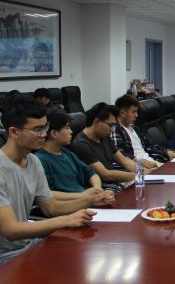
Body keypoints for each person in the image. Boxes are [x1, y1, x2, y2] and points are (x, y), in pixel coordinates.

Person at [0, 95, 108, 265]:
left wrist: (90, 200)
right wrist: (65, 220)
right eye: (37, 129)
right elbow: (10, 230)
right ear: (14, 132)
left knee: (89, 255)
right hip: (5, 257)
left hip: (27, 246)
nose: (44, 134)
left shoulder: (33, 161)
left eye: (45, 127)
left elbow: (50, 207)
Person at [35, 111, 115, 204]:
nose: (71, 132)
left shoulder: (67, 153)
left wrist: (97, 189)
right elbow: (45, 193)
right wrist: (82, 196)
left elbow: (91, 173)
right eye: (67, 128)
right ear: (54, 133)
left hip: (87, 201)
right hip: (69, 206)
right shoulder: (40, 160)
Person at [70, 103, 150, 184]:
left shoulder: (104, 136)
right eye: (110, 125)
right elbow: (105, 175)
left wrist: (145, 171)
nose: (112, 129)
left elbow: (124, 161)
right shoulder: (81, 144)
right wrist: (140, 175)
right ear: (97, 122)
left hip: (116, 181)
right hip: (105, 186)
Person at [111, 95, 175, 166]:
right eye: (133, 112)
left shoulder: (134, 127)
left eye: (137, 112)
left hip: (153, 161)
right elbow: (121, 157)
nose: (136, 115)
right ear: (123, 113)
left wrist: (165, 151)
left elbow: (149, 145)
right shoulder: (116, 130)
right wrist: (142, 162)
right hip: (139, 167)